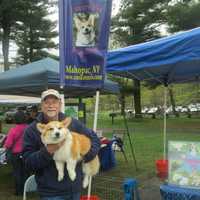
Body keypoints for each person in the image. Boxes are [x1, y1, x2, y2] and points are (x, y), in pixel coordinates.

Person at [23, 89, 101, 200]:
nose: (51, 105)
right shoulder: (31, 130)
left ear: (60, 104)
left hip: (74, 188)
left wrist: (85, 156)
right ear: (42, 105)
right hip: (50, 192)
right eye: (47, 102)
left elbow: (94, 139)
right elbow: (28, 163)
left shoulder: (73, 123)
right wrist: (48, 151)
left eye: (54, 102)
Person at [4, 111, 28, 195]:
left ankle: (19, 191)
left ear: (15, 119)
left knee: (17, 172)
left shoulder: (13, 130)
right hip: (27, 153)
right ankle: (26, 189)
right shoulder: (29, 128)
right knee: (25, 172)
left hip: (16, 154)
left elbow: (8, 144)